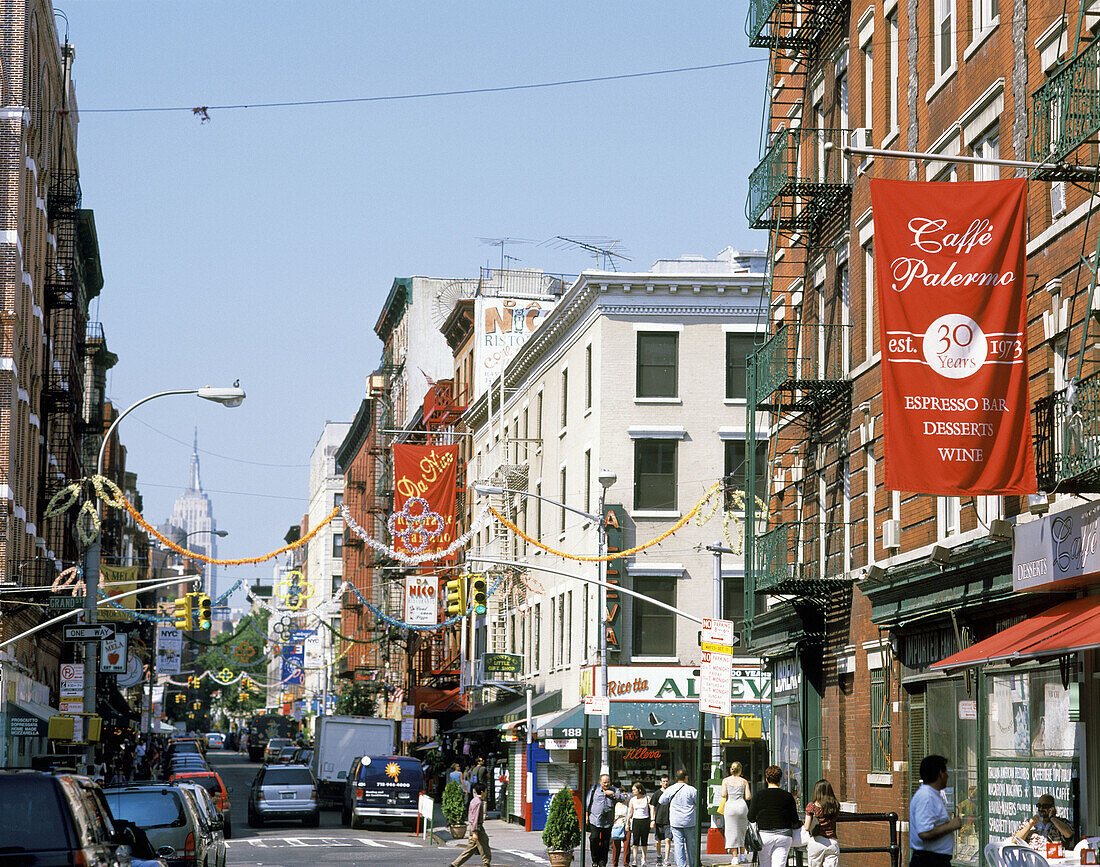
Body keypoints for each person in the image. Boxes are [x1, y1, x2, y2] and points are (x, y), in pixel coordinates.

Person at [909, 754, 962, 867]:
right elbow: (924, 833)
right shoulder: (926, 797)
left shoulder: (932, 794)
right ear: (940, 774)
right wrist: (951, 826)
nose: (947, 776)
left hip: (934, 859)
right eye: (946, 772)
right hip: (929, 860)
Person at [747, 764, 801, 867]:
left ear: (766, 779)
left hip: (764, 835)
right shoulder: (788, 796)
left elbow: (751, 817)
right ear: (780, 779)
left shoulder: (759, 795)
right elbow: (794, 818)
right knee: (779, 864)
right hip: (784, 835)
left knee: (764, 864)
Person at [659, 768, 699, 867]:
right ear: (686, 777)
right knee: (691, 845)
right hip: (689, 821)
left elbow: (661, 801)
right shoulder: (692, 789)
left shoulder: (671, 789)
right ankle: (693, 864)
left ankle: (681, 865)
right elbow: (698, 802)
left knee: (678, 845)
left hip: (675, 821)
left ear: (676, 778)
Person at [587, 774, 628, 867]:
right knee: (594, 838)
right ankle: (595, 859)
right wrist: (586, 816)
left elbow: (622, 798)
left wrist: (613, 794)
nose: (606, 784)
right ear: (600, 782)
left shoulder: (614, 789)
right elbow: (588, 803)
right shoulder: (594, 789)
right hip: (595, 819)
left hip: (607, 821)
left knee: (605, 843)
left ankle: (602, 863)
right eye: (604, 782)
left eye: (608, 782)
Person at [450, 781, 491, 867]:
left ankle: (455, 864)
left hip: (474, 826)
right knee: (483, 845)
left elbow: (470, 815)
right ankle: (486, 863)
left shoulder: (473, 800)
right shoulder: (479, 802)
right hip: (477, 827)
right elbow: (475, 817)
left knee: (472, 848)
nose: (486, 793)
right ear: (482, 792)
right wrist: (475, 831)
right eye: (486, 791)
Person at [803, 779, 841, 867]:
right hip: (832, 842)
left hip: (816, 842)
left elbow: (807, 827)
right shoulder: (835, 805)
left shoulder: (811, 806)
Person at [721, 761, 751, 864]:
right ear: (740, 770)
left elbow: (723, 794)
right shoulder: (744, 781)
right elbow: (748, 797)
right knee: (742, 831)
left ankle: (734, 857)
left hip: (730, 807)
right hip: (741, 806)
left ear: (731, 769)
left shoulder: (725, 780)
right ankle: (743, 855)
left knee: (731, 831)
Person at [626, 782, 651, 867]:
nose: (633, 791)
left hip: (645, 820)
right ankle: (635, 859)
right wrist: (627, 822)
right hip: (636, 820)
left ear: (639, 790)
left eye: (634, 790)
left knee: (644, 841)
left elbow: (652, 809)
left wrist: (652, 820)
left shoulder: (647, 798)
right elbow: (630, 812)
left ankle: (643, 859)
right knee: (635, 841)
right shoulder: (632, 800)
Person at [650, 774, 672, 867]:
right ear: (660, 782)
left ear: (669, 782)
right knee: (657, 841)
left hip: (669, 820)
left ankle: (666, 859)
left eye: (666, 781)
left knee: (668, 840)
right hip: (658, 820)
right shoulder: (656, 793)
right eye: (663, 781)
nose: (665, 783)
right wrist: (652, 819)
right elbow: (652, 806)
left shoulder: (671, 792)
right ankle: (659, 856)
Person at [611, 795, 630, 867]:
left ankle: (626, 863)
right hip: (617, 826)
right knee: (615, 846)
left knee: (627, 845)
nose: (624, 798)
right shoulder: (616, 805)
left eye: (625, 797)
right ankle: (615, 863)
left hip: (627, 825)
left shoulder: (629, 805)